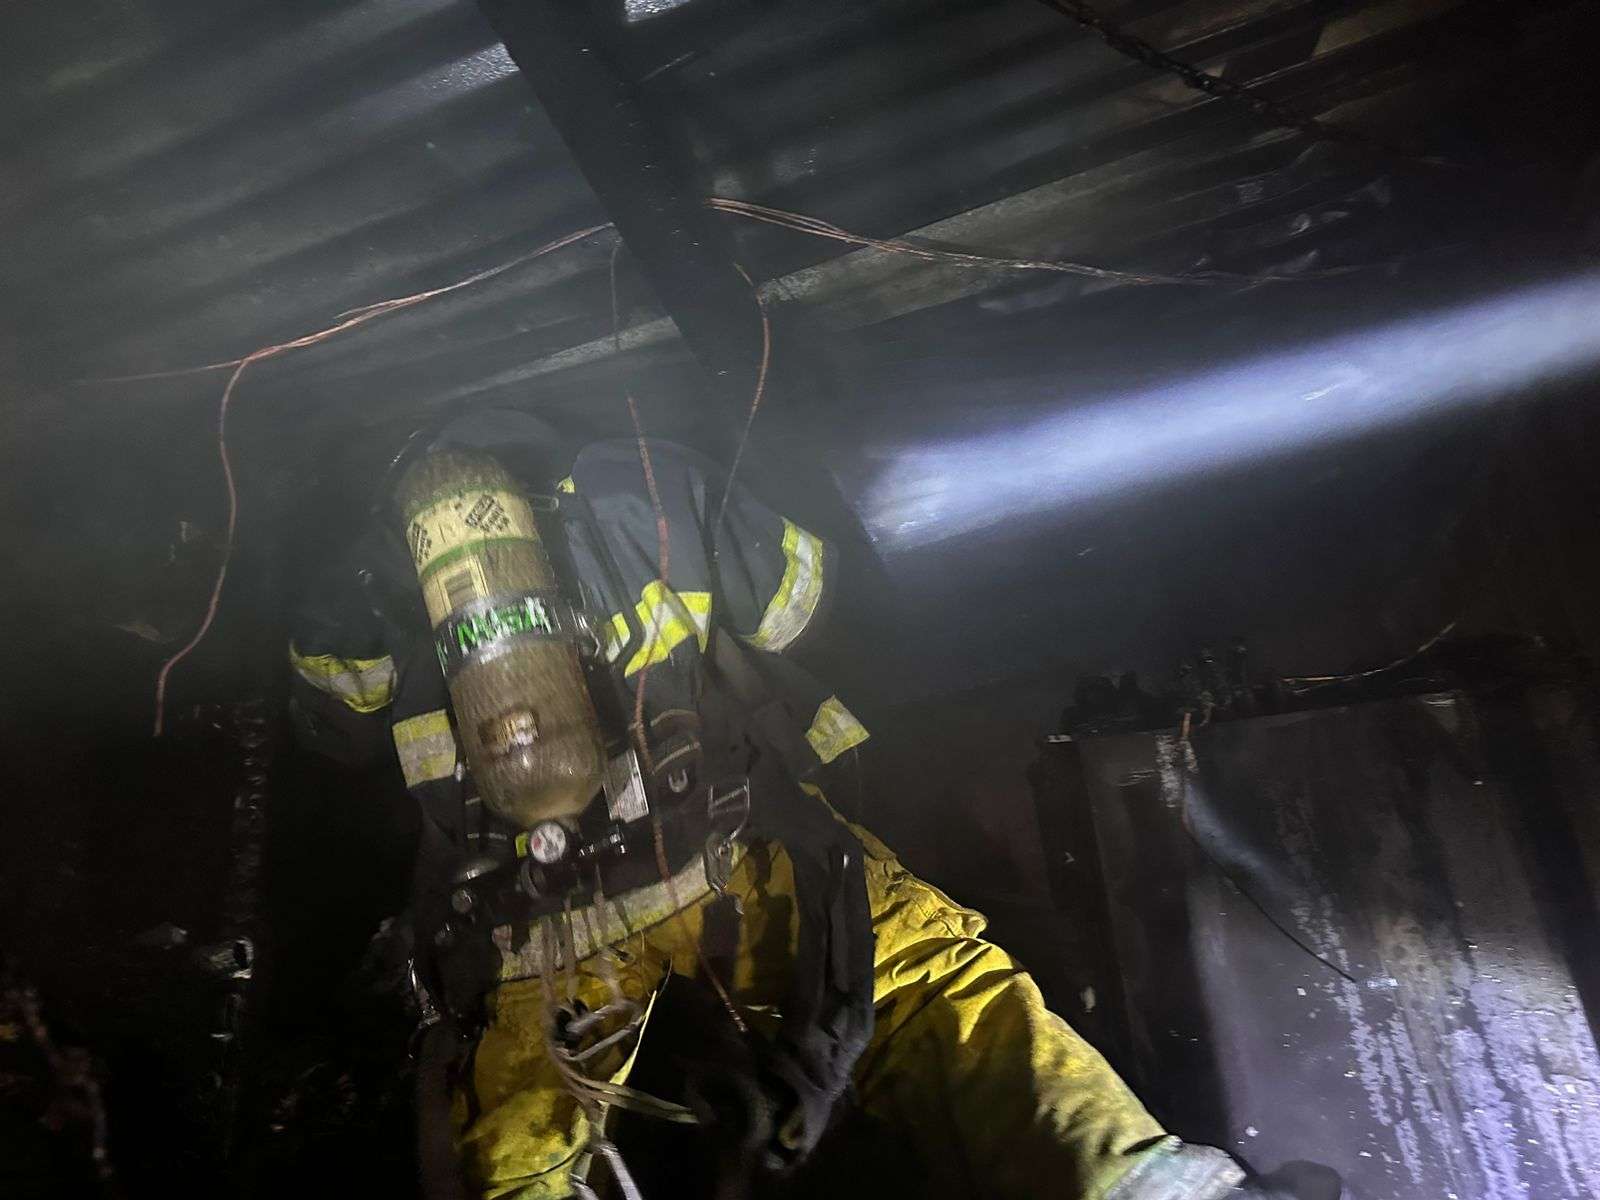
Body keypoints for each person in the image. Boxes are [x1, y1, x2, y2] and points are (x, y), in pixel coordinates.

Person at [288, 409, 1337, 1200]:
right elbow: (800, 605)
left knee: (514, 1157)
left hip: (537, 917)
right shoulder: (637, 477)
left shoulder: (370, 575)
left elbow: (335, 729)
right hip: (732, 851)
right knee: (931, 999)